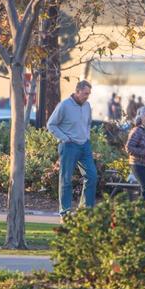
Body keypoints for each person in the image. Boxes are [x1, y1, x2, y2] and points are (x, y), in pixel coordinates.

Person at [47, 80, 97, 216]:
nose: (87, 96)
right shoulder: (64, 105)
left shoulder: (87, 106)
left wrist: (87, 138)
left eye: (89, 94)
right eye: (85, 93)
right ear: (78, 91)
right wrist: (64, 138)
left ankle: (86, 210)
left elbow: (88, 124)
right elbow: (51, 124)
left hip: (84, 146)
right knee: (66, 179)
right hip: (69, 146)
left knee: (92, 176)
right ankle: (65, 211)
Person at [125, 105, 145, 200]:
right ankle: (144, 210)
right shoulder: (137, 130)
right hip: (137, 164)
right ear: (141, 117)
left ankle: (140, 209)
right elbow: (129, 148)